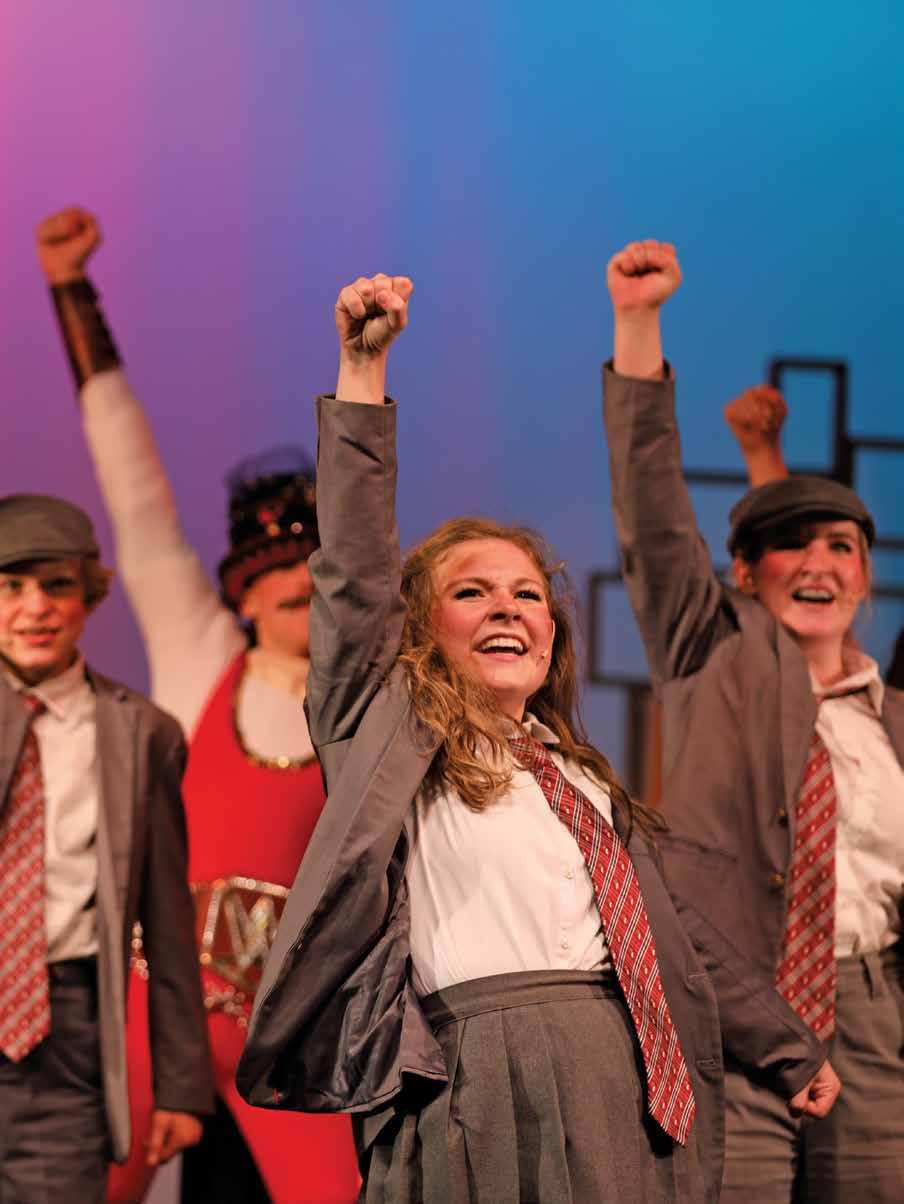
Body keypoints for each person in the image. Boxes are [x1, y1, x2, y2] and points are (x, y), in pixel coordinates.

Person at [235, 270, 728, 1203]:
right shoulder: (387, 739)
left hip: (625, 1079)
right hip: (479, 1074)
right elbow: (354, 577)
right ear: (423, 630)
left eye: (527, 594)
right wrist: (362, 374)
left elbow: (678, 943)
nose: (507, 608)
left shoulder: (581, 778)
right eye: (472, 592)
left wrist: (785, 1052)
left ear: (553, 635)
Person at [36, 207, 359, 1204]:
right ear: (240, 596)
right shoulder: (199, 657)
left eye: (319, 573)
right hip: (157, 1012)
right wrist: (72, 293)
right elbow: (137, 500)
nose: (299, 588)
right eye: (275, 576)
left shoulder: (369, 705)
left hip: (293, 1032)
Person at [604, 239, 904, 1201]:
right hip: (736, 1009)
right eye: (789, 546)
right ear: (744, 571)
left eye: (840, 546)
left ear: (865, 574)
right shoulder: (711, 653)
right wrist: (639, 323)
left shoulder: (894, 720)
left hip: (875, 1019)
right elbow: (653, 512)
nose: (817, 564)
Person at [0, 494, 212, 1202]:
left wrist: (181, 1085)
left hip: (60, 1032)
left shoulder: (141, 734)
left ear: (89, 594)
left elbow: (168, 920)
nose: (34, 609)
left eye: (56, 585)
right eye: (11, 586)